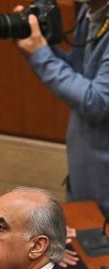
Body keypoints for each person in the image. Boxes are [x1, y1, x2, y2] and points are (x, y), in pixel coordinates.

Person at [14, 1, 109, 215]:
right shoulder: (91, 10)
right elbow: (79, 76)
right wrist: (38, 45)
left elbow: (97, 102)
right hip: (85, 179)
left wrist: (41, 56)